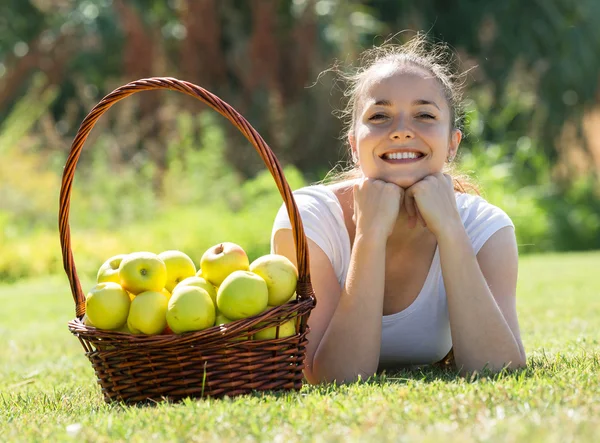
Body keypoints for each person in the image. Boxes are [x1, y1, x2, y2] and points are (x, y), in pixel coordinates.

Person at [270, 34, 526, 384]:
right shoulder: (307, 221)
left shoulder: (487, 229)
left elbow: (501, 370)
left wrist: (450, 231)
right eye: (379, 116)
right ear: (354, 145)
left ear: (452, 143)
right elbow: (329, 377)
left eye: (424, 115)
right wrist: (370, 235)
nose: (402, 132)